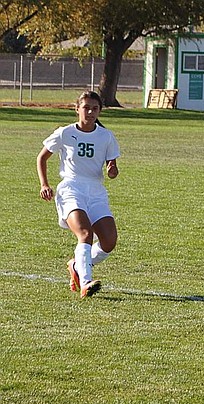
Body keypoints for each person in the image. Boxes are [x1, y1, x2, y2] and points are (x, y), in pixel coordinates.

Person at [37, 90, 121, 298]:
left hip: (96, 191)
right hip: (71, 189)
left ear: (100, 111)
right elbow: (42, 158)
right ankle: (85, 282)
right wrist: (44, 184)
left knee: (109, 241)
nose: (90, 112)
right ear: (77, 109)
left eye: (95, 108)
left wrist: (112, 170)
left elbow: (112, 168)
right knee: (85, 234)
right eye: (86, 108)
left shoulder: (106, 136)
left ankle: (77, 264)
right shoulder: (65, 133)